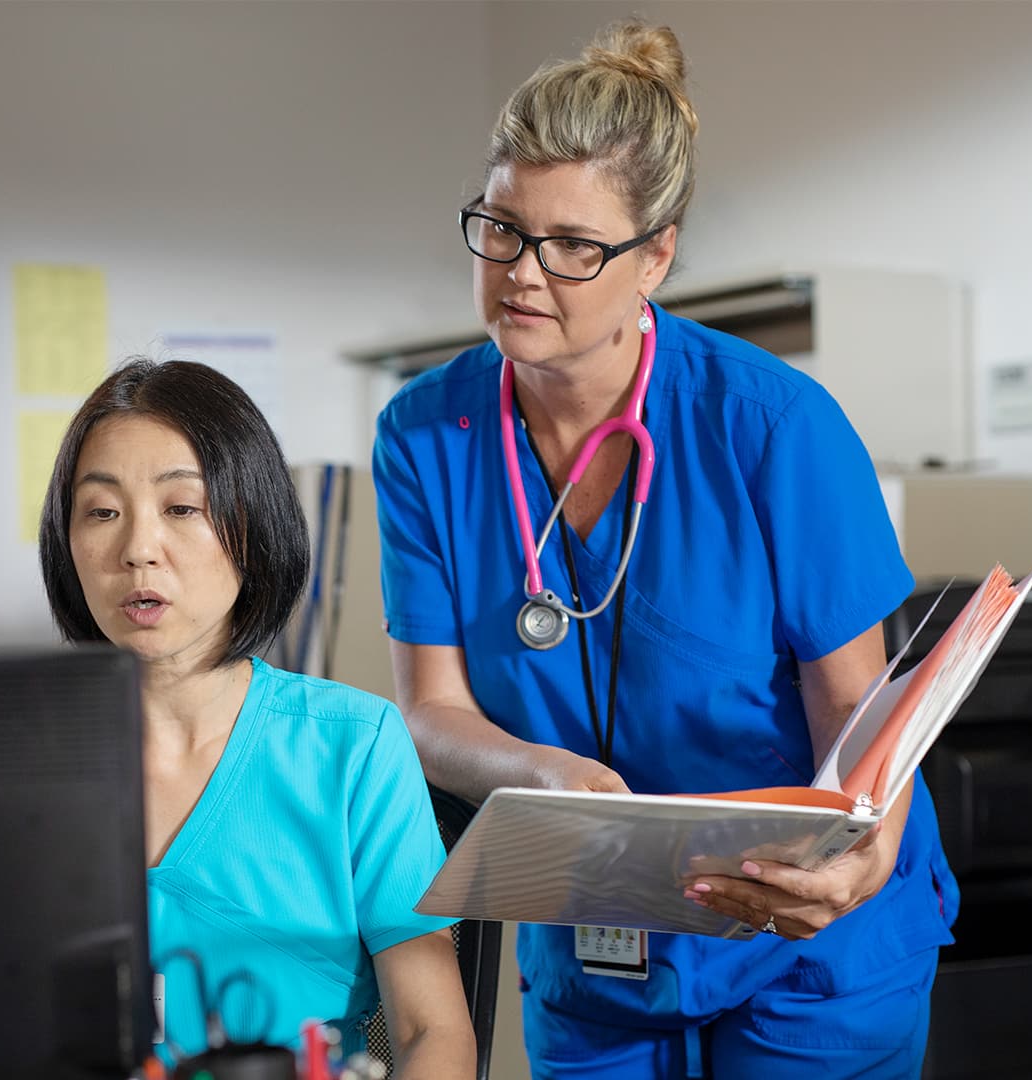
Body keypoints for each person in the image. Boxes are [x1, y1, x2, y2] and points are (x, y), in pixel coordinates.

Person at [372, 20, 958, 1079]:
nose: (522, 273)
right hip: (598, 941)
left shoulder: (773, 428)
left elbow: (863, 740)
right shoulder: (424, 433)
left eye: (574, 246)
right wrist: (539, 772)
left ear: (656, 256)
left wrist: (855, 871)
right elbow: (431, 713)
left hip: (801, 948)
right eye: (500, 228)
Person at [39, 359, 476, 1077]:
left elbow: (433, 1034)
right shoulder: (21, 761)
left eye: (183, 508)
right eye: (102, 512)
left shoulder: (353, 746)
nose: (138, 549)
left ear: (254, 524)